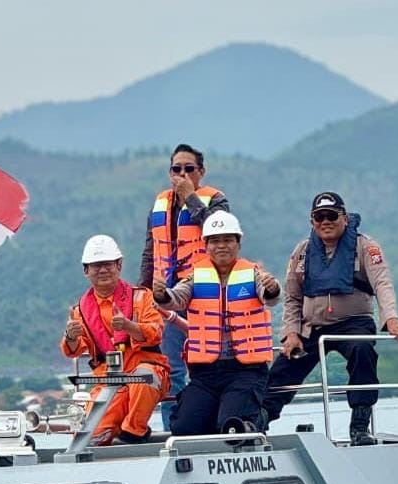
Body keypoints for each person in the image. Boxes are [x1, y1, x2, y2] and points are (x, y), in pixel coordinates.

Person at [263, 191, 398, 446]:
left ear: (344, 218)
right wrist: (290, 332)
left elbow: (383, 283)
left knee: (363, 351)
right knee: (282, 368)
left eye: (331, 215)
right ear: (312, 222)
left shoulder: (365, 246)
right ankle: (259, 420)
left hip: (354, 321)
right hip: (312, 326)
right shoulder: (302, 252)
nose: (326, 221)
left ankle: (360, 425)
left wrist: (391, 318)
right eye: (319, 217)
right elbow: (292, 297)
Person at [153, 212, 280, 436]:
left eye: (228, 240)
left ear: (238, 244)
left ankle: (258, 417)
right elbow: (176, 298)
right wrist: (162, 294)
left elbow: (270, 296)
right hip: (206, 373)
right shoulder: (195, 276)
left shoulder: (253, 273)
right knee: (183, 428)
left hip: (246, 371)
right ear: (206, 245)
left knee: (231, 426)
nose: (222, 246)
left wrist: (272, 287)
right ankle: (221, 414)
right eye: (215, 241)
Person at [139, 144, 229, 430]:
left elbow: (219, 232)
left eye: (189, 168)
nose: (182, 173)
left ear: (200, 172)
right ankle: (173, 429)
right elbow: (150, 250)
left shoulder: (215, 200)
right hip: (165, 297)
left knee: (209, 363)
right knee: (172, 368)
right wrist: (142, 292)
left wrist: (190, 197)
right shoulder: (159, 204)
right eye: (176, 168)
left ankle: (213, 425)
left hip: (205, 294)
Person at [62, 235, 170, 445]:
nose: (103, 270)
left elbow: (156, 332)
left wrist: (130, 327)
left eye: (108, 264)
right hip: (108, 380)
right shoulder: (79, 311)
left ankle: (134, 432)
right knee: (88, 439)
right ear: (86, 271)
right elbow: (73, 350)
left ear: (119, 265)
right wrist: (71, 336)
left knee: (144, 378)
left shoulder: (142, 297)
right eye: (96, 266)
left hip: (147, 368)